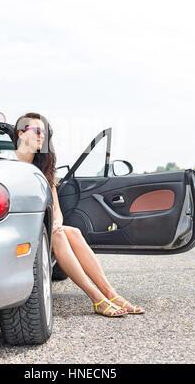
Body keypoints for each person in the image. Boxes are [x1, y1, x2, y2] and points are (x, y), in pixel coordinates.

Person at [12, 112, 145, 317]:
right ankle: (97, 298)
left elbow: (56, 210)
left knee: (70, 231)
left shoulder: (43, 169)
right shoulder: (8, 165)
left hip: (42, 228)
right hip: (16, 229)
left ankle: (111, 294)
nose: (42, 136)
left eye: (45, 133)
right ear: (21, 133)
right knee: (58, 235)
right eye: (37, 131)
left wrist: (56, 222)